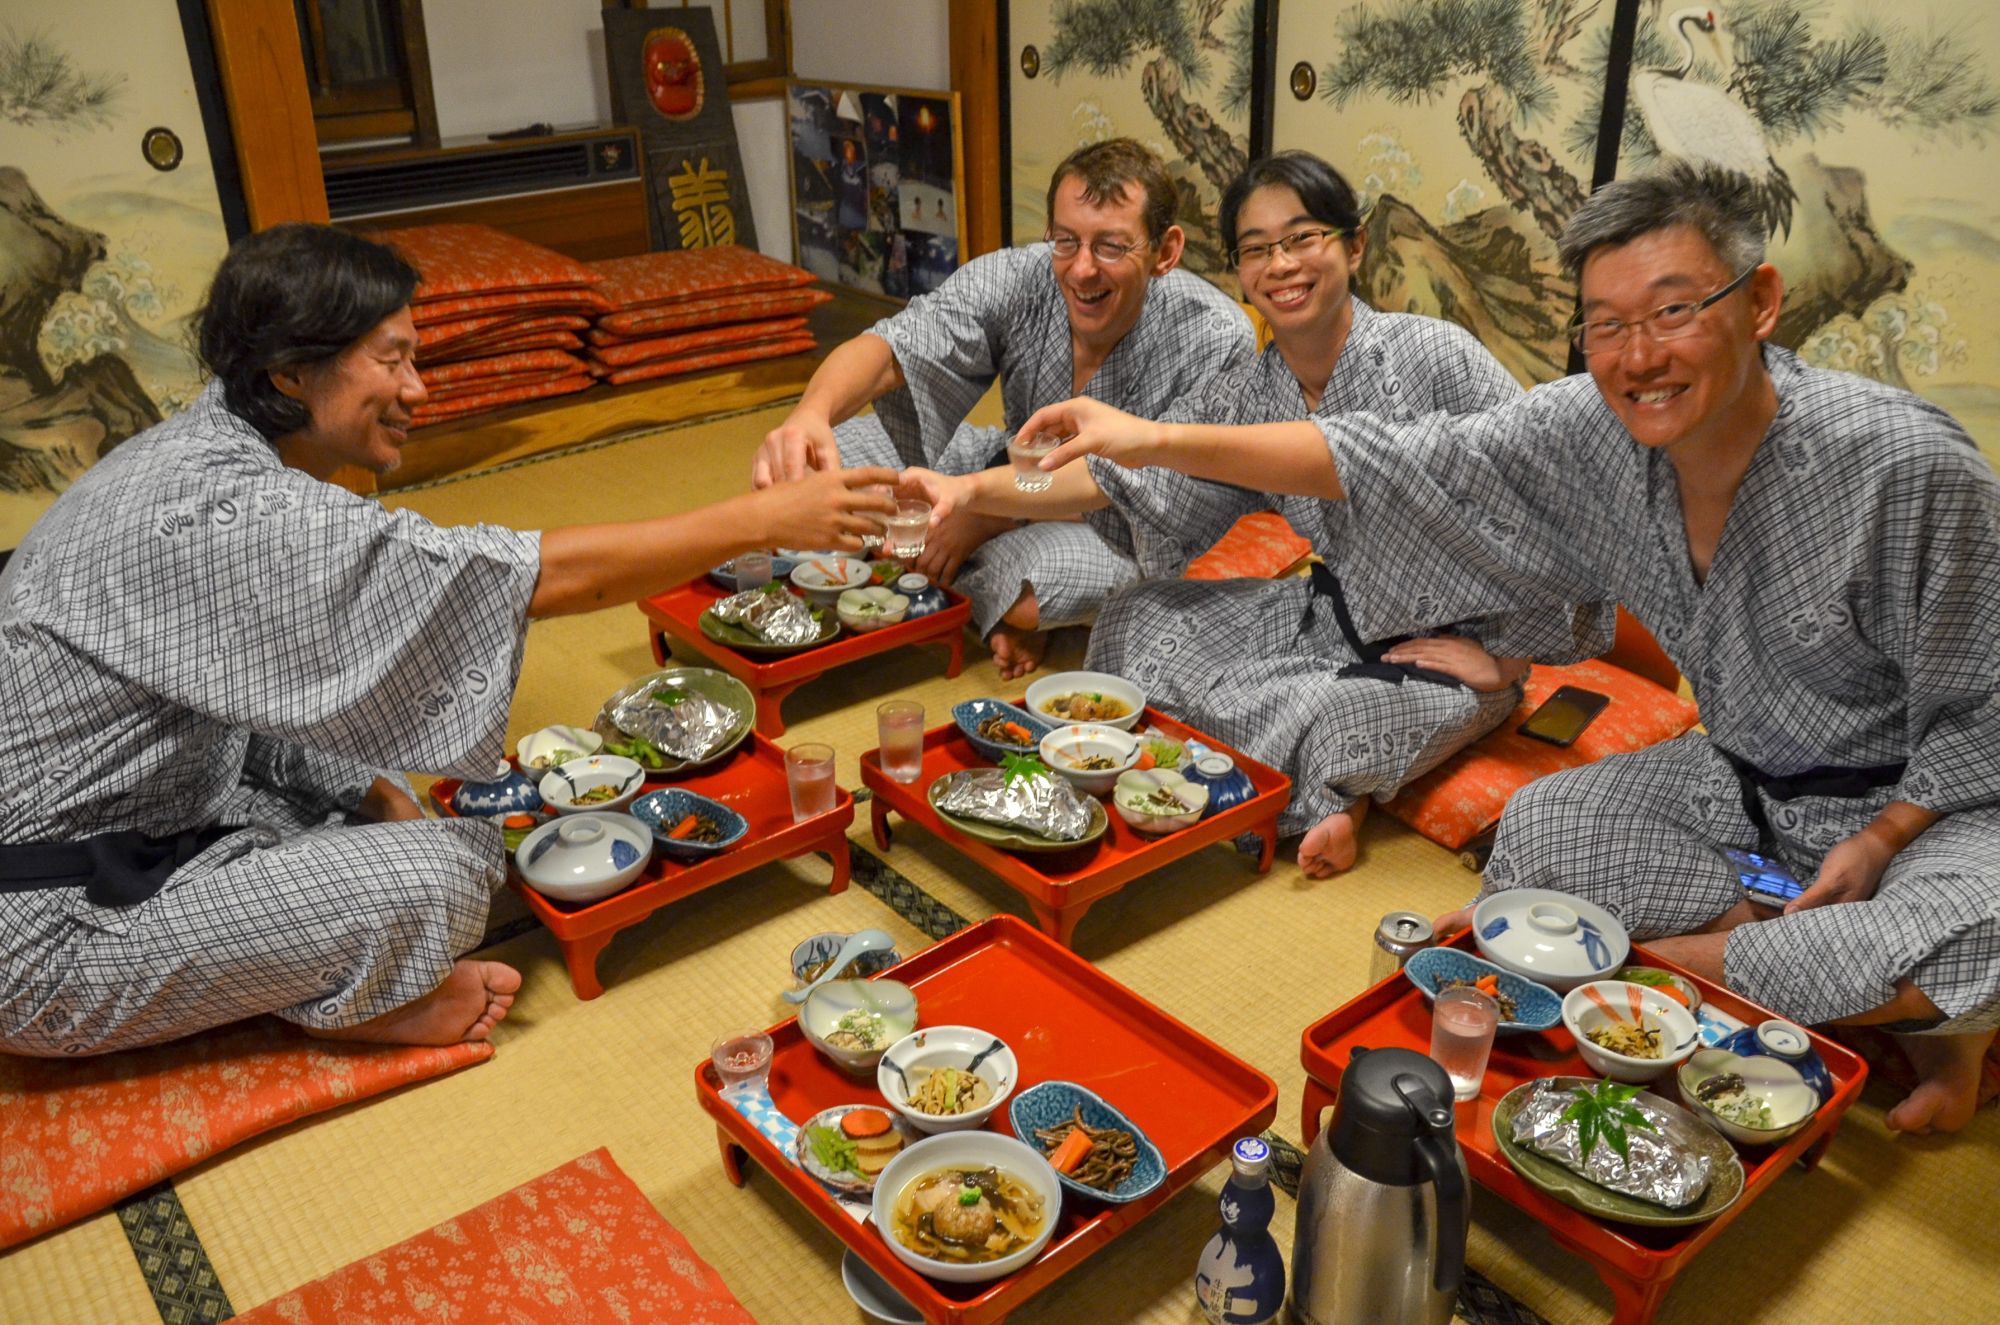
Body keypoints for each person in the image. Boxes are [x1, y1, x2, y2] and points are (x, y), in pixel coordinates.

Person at [1008, 161, 2000, 1135]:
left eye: (1670, 311)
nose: (1636, 354)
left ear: (1759, 302)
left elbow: (1984, 709)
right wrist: (1142, 437)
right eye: (1604, 325)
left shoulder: (1900, 463)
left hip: (1914, 806)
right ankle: (1826, 990)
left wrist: (1879, 838)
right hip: (1733, 778)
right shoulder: (1591, 427)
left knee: (1979, 923)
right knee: (1538, 829)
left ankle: (1654, 971)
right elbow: (1399, 459)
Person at [0, 224, 898, 1057]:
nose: (417, 389)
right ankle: (372, 1004)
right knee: (454, 863)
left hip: (150, 802)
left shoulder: (204, 443)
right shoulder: (233, 510)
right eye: (391, 360)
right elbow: (529, 576)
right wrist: (758, 521)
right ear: (288, 374)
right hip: (51, 918)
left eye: (416, 357)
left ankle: (293, 930)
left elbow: (266, 688)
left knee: (397, 789)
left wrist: (371, 789)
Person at [906, 152, 1608, 875]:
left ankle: (1327, 795)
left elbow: (1560, 492)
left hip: (1452, 651)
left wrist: (1505, 658)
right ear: (1239, 270)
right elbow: (1121, 475)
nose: (1281, 265)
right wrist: (968, 493)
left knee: (1335, 715)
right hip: (1334, 613)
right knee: (1136, 614)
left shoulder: (1435, 357)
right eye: (1257, 249)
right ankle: (1304, 788)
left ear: (1354, 245)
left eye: (1303, 239)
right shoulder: (1251, 389)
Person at [750, 138, 1254, 678]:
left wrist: (981, 513)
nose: (1082, 270)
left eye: (1111, 247)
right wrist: (811, 414)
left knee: (1029, 593)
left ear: (1165, 250)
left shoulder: (1214, 335)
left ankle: (952, 582)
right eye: (1066, 240)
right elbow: (895, 348)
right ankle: (962, 584)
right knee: (820, 469)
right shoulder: (1019, 276)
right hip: (1006, 465)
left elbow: (1108, 482)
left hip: (1129, 527)